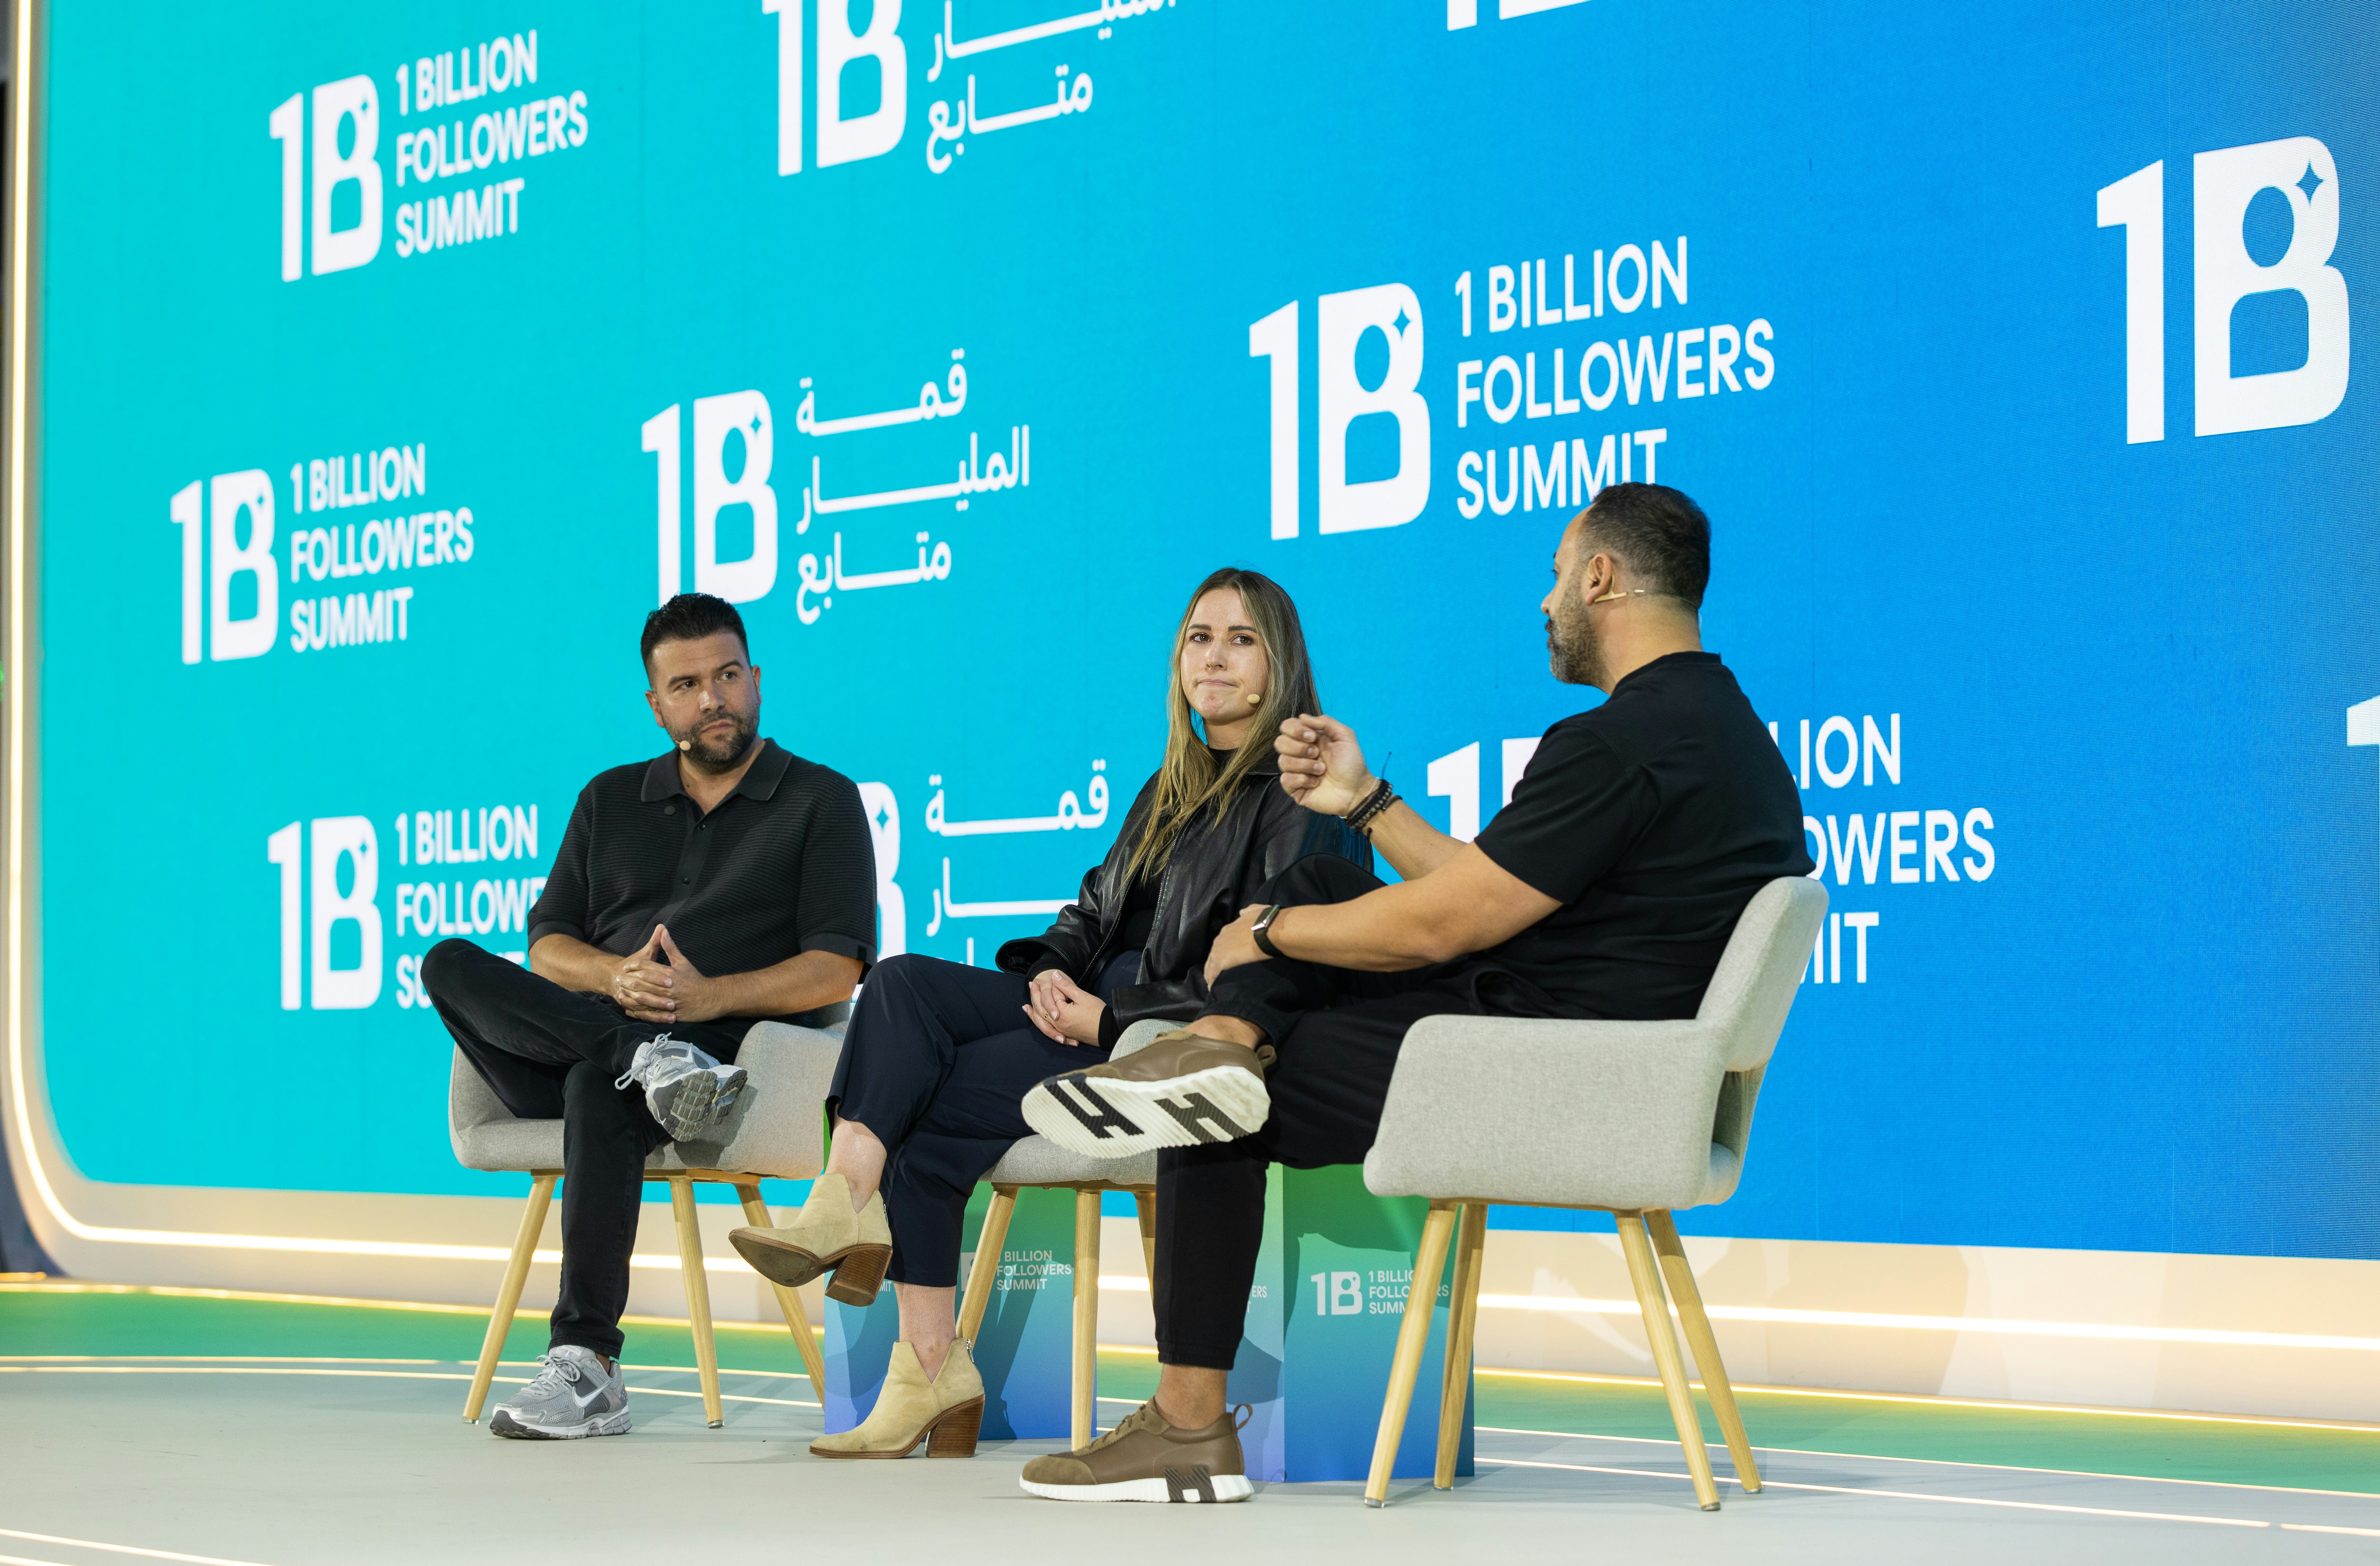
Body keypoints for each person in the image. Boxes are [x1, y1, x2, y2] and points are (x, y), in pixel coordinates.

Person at [1014, 483, 1814, 1503]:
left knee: (1213, 1107)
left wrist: (1264, 930)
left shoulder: (1616, 744)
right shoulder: (1727, 735)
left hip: (1531, 1069)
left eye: (1559, 574)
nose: (1547, 600)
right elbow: (1483, 888)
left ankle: (1186, 1422)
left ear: (1601, 578)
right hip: (1605, 1062)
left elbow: (1447, 922)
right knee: (1321, 877)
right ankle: (1218, 1036)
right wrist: (1365, 802)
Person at [729, 568, 1367, 1460]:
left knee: (929, 1107)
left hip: (1152, 1041)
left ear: (1279, 665)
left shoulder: (1303, 795)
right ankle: (845, 1205)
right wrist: (1053, 977)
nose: (1212, 656)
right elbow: (1091, 910)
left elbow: (1264, 969)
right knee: (905, 981)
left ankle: (922, 1359)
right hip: (1084, 1009)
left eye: (1239, 638)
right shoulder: (1166, 789)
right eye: (1197, 637)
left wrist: (1105, 1020)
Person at [421, 592, 876, 1440]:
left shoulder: (821, 800)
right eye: (689, 684)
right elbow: (547, 944)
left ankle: (588, 1366)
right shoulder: (608, 799)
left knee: (601, 1083)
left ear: (757, 680)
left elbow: (837, 965)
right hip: (592, 1037)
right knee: (447, 961)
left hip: (724, 1067)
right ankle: (641, 1055)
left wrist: (707, 997)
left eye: (729, 676)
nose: (713, 699)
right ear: (657, 703)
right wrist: (616, 977)